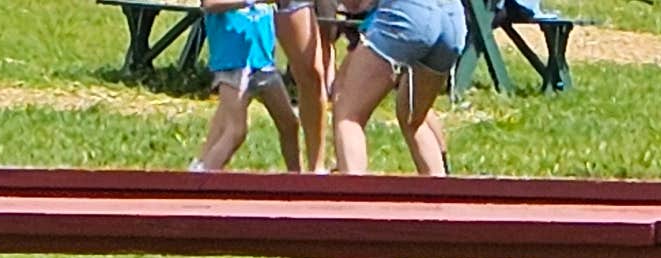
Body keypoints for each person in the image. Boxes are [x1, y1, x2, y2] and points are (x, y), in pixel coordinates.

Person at [328, 0, 463, 169]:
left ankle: (353, 184)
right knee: (413, 118)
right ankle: (440, 183)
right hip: (452, 17)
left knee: (348, 114)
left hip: (410, 12)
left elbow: (356, 4)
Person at [189, 0, 325, 167]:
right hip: (233, 66)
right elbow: (210, 4)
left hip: (263, 65)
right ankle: (202, 174)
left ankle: (295, 177)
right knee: (235, 131)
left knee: (289, 124)